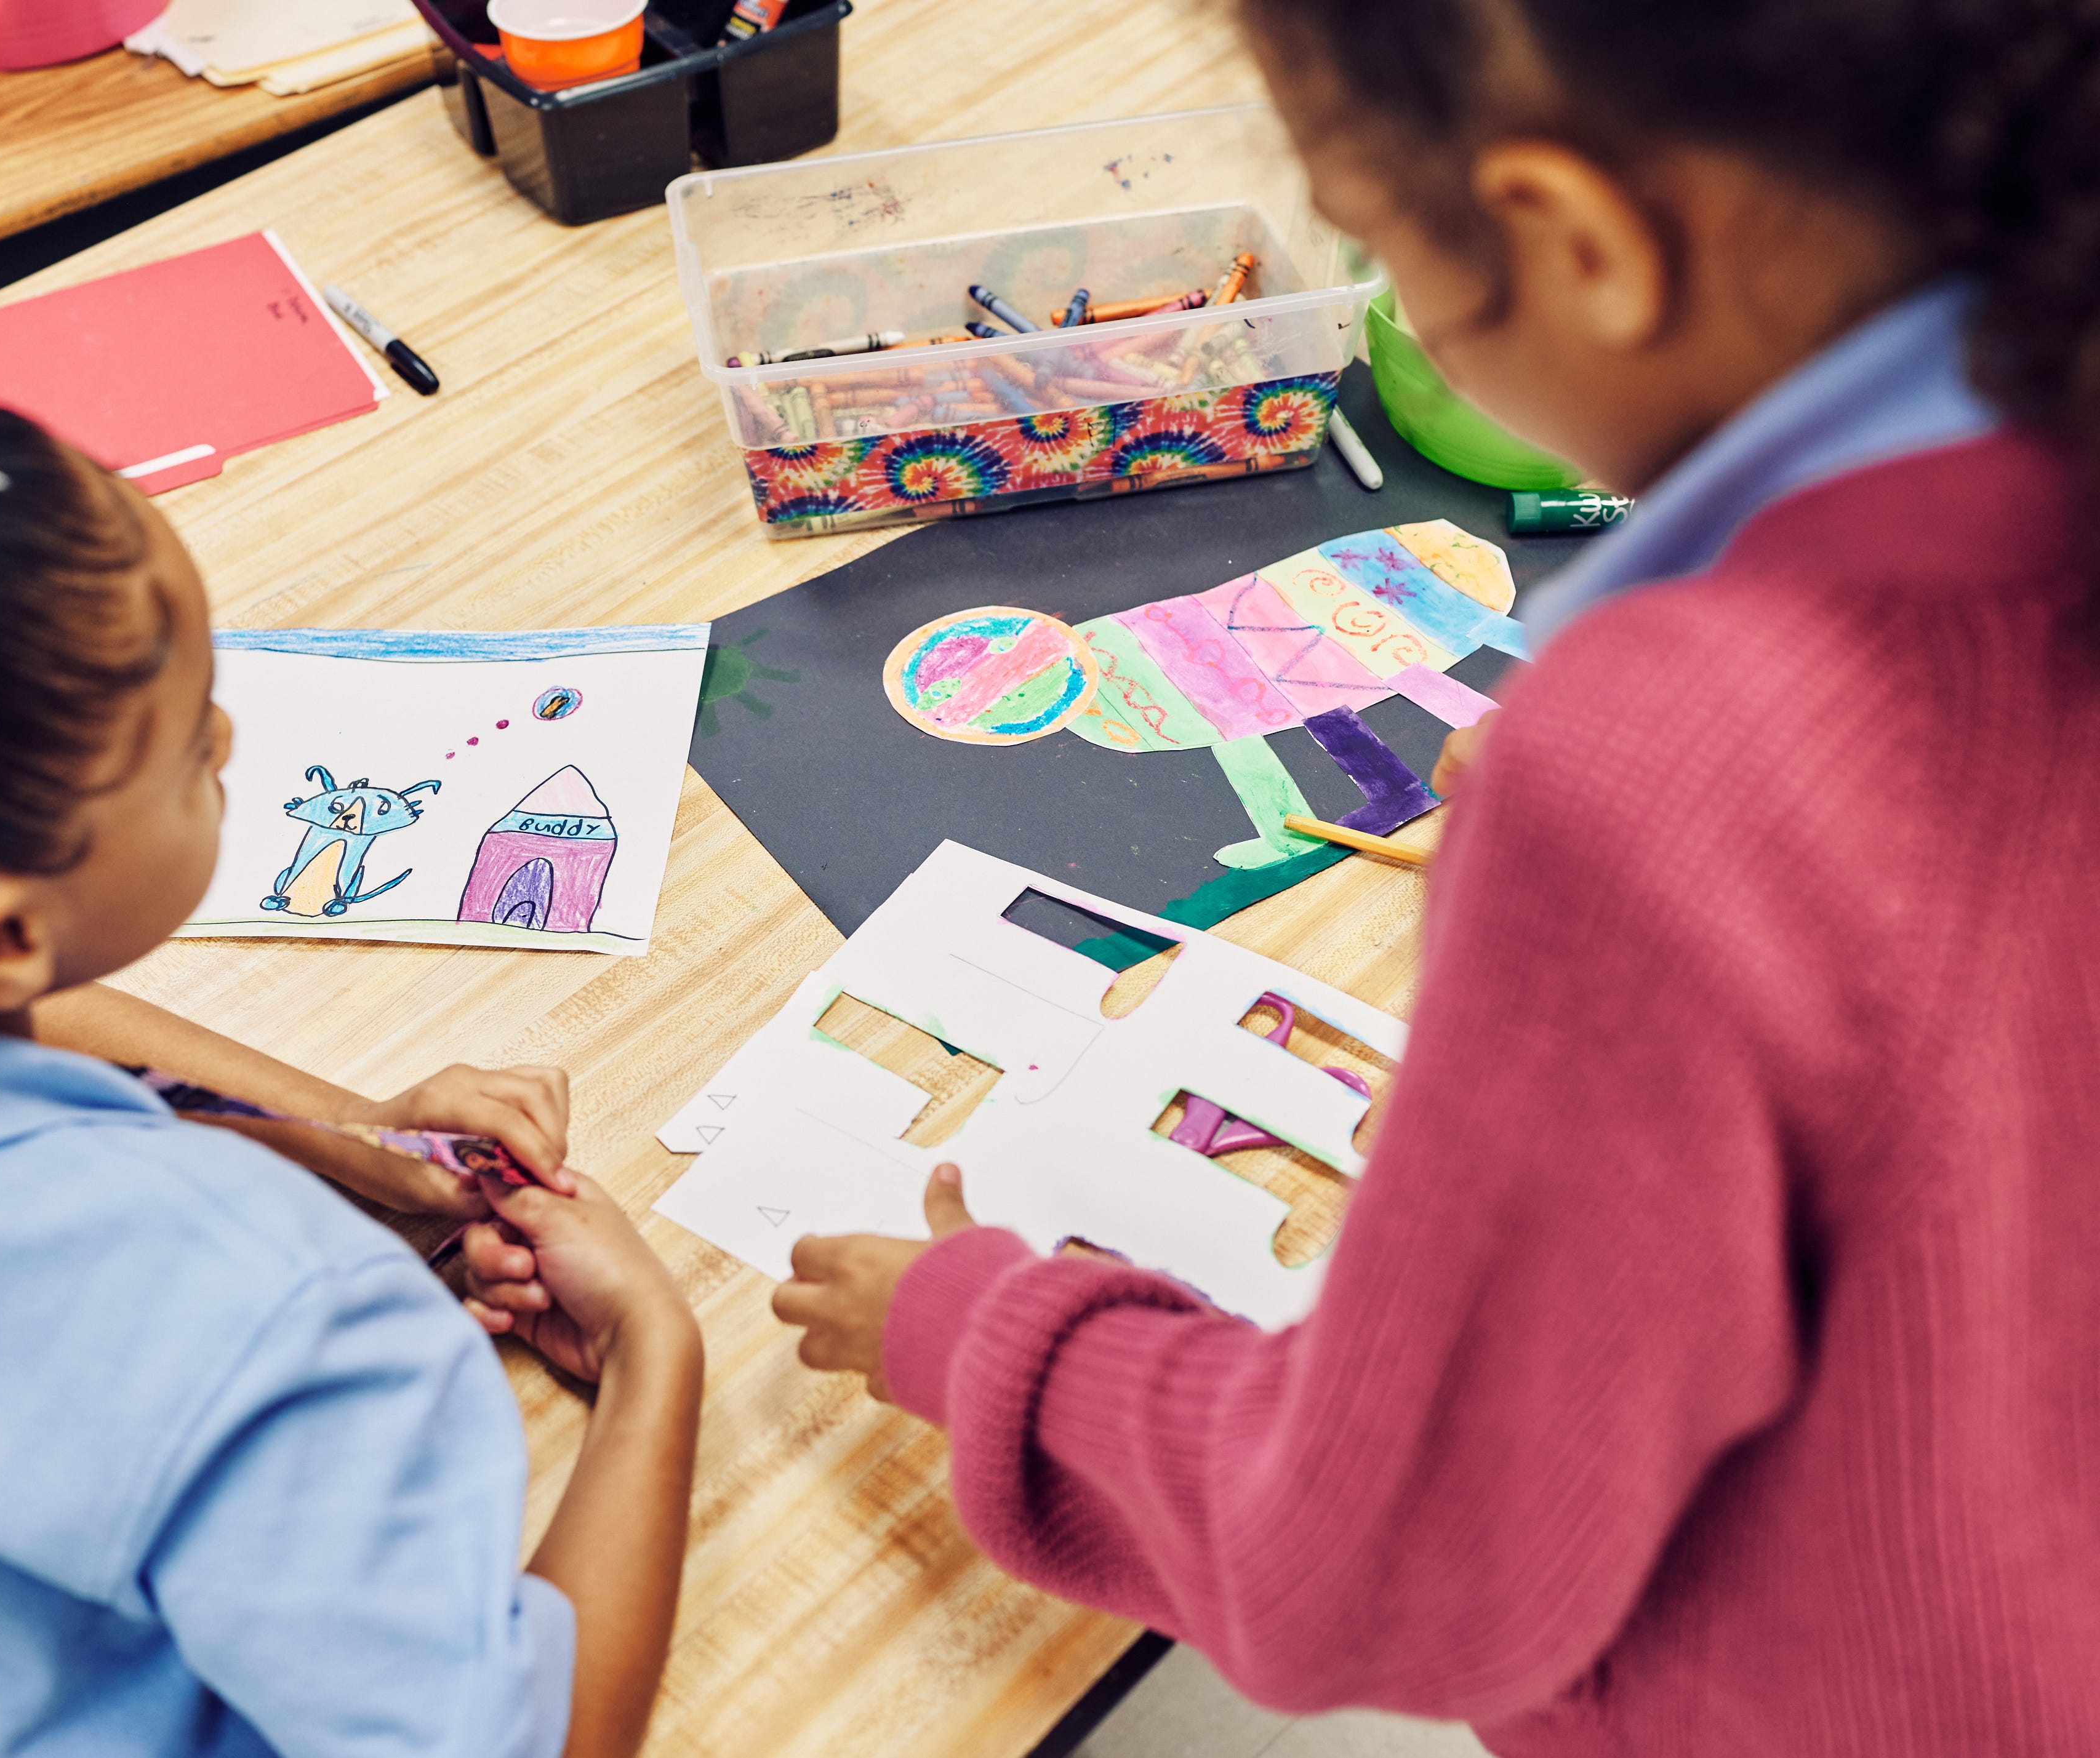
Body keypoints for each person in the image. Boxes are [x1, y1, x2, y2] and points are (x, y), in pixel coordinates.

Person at [772, 2, 2100, 1751]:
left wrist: (985, 1339)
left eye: (1383, 244)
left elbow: (1397, 1572)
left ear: (1576, 243)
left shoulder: (1665, 776)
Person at [0, 344, 701, 1758]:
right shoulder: (271, 1310)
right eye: (186, 742)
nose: (230, 731)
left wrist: (359, 1136)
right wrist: (652, 1356)